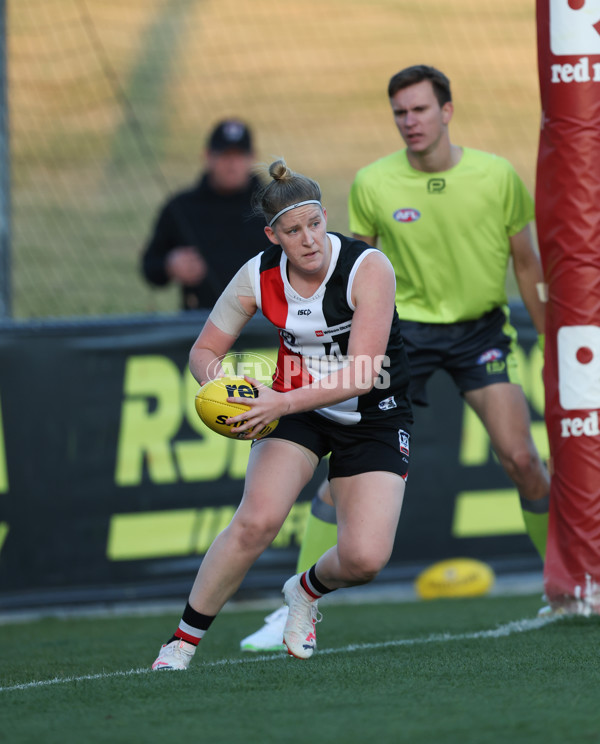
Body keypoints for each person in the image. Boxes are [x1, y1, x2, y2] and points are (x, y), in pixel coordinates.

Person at [240, 63, 550, 652]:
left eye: (420, 109)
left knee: (521, 458)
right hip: (397, 339)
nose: (410, 122)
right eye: (400, 113)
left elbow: (528, 263)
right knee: (337, 481)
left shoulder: (497, 175)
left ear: (447, 111)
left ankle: (563, 584)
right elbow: (351, 271)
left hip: (478, 332)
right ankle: (293, 607)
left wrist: (552, 344)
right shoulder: (374, 182)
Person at [151, 158, 414, 670]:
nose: (310, 238)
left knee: (364, 560)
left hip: (373, 410)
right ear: (274, 236)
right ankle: (180, 644)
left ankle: (305, 591)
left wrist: (278, 401)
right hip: (296, 410)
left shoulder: (368, 267)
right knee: (255, 522)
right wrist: (222, 387)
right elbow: (203, 352)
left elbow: (362, 375)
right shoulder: (257, 275)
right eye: (294, 230)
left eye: (315, 223)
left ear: (324, 217)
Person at [141, 119, 268, 310]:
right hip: (201, 323)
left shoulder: (275, 207)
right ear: (208, 156)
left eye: (239, 155)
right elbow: (150, 266)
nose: (232, 163)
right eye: (224, 155)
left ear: (253, 158)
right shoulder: (182, 207)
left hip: (265, 323)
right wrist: (170, 264)